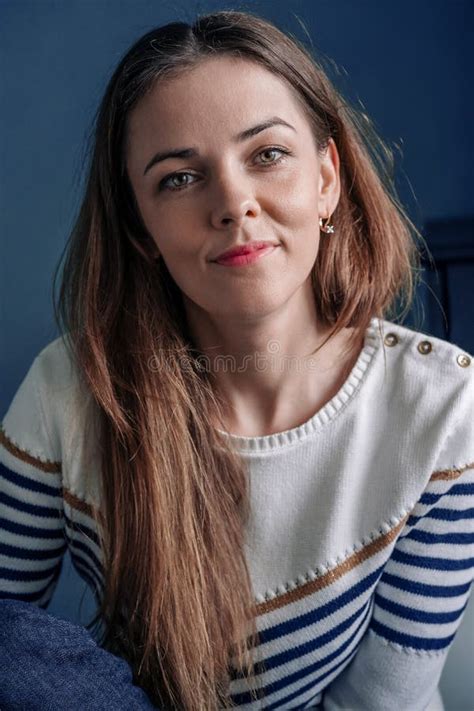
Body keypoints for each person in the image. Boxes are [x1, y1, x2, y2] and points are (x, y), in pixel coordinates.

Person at [0, 9, 473, 711]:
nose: (233, 203)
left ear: (326, 180)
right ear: (141, 231)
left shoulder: (445, 407)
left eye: (267, 155)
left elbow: (381, 703)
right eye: (178, 180)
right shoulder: (70, 389)